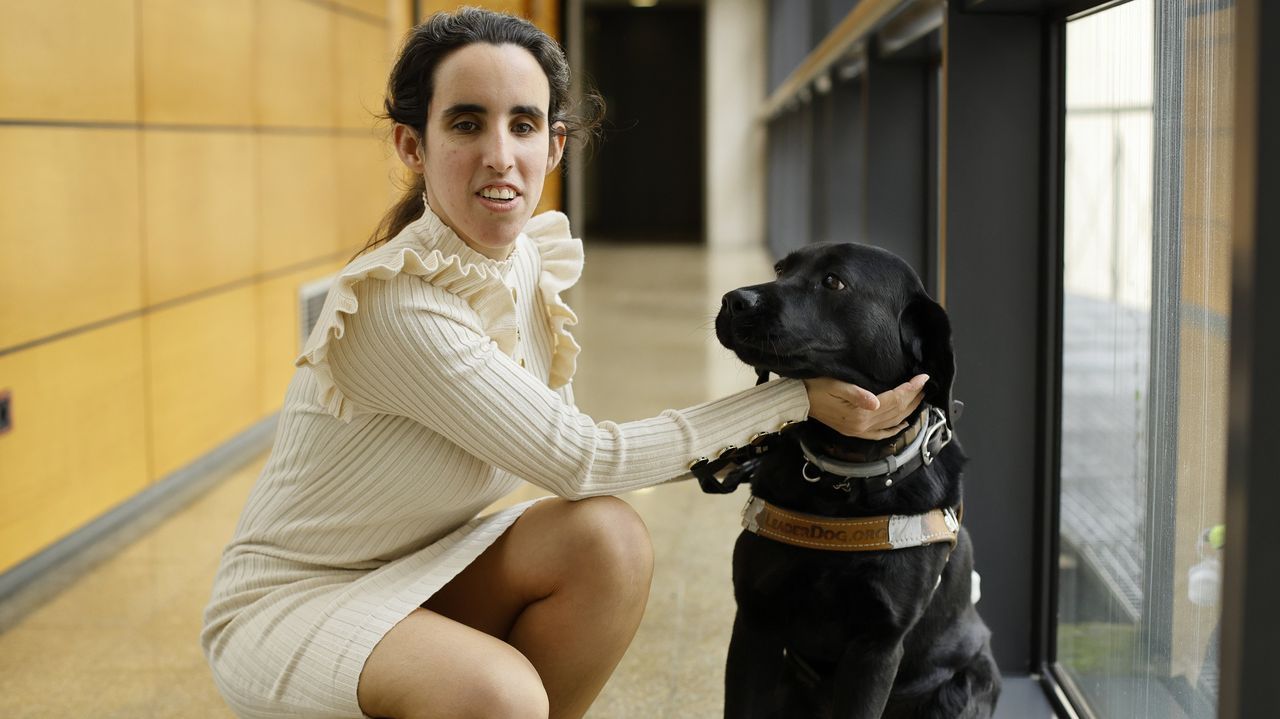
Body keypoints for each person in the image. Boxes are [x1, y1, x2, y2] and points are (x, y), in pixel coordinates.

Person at [200, 8, 927, 719]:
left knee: (608, 540)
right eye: (465, 123)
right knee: (500, 694)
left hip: (417, 566)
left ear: (553, 146)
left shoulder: (520, 258)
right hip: (290, 603)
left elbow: (571, 454)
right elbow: (580, 457)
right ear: (410, 146)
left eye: (522, 125)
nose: (499, 154)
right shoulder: (400, 304)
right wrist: (796, 400)